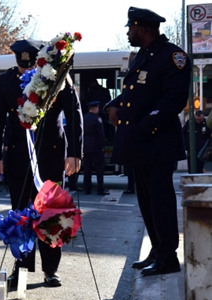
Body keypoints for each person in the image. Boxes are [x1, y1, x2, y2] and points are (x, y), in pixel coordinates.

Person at [0, 39, 83, 287]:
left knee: (51, 213)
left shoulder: (57, 78)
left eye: (30, 68)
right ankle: (21, 268)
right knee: (21, 213)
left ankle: (51, 269)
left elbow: (74, 114)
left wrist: (75, 152)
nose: (25, 73)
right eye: (22, 68)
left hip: (50, 157)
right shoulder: (6, 80)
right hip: (18, 156)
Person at [106, 7, 191, 276]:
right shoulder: (143, 56)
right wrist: (114, 103)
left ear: (142, 28)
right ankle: (157, 249)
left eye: (130, 28)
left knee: (160, 201)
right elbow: (134, 95)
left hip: (156, 142)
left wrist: (142, 127)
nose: (128, 33)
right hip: (140, 144)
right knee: (146, 200)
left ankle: (168, 257)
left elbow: (172, 101)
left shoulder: (173, 57)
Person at [82, 100, 108, 195]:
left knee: (87, 169)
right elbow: (101, 134)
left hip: (86, 146)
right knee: (99, 169)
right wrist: (102, 146)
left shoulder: (84, 117)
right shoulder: (98, 119)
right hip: (96, 147)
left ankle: (87, 188)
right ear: (95, 108)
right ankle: (100, 189)